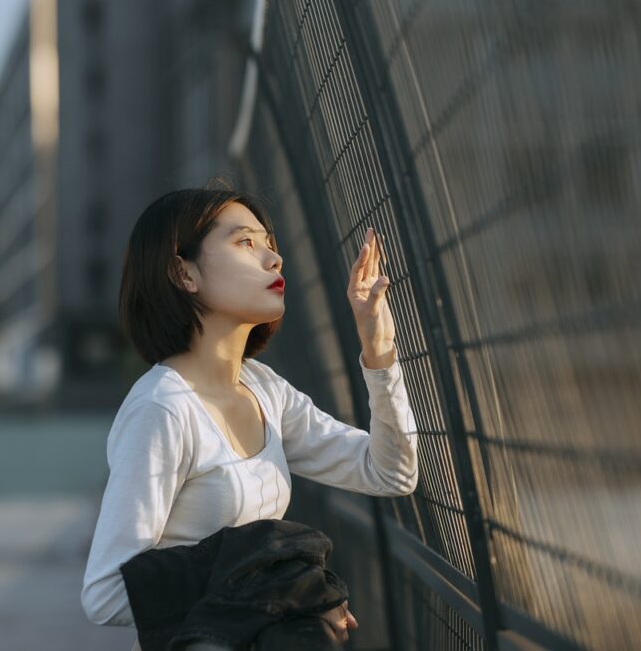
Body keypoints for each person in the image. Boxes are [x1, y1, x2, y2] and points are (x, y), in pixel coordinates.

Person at [80, 184, 419, 648]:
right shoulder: (162, 409)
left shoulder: (264, 388)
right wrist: (284, 589)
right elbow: (106, 594)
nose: (273, 259)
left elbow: (389, 472)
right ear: (184, 273)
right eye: (245, 242)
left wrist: (378, 350)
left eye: (270, 245)